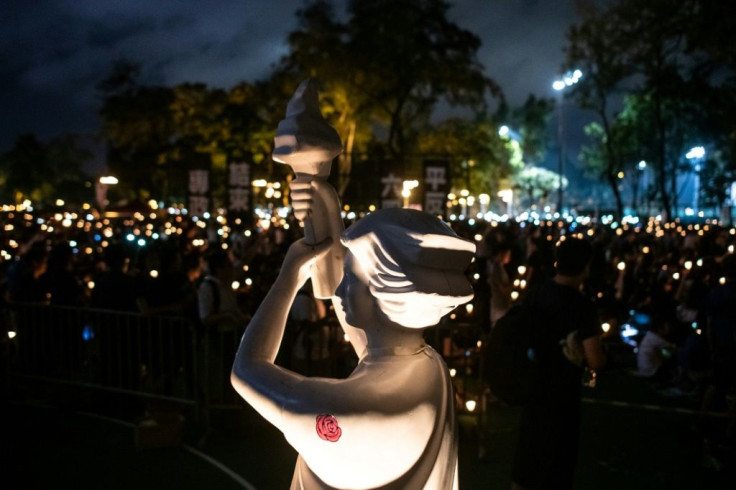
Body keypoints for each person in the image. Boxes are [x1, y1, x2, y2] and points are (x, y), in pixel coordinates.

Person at [232, 207, 475, 489]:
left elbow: (247, 367)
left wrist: (289, 277)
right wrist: (325, 208)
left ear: (385, 291)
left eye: (351, 279)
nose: (338, 291)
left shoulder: (337, 410)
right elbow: (368, 348)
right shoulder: (431, 367)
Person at [512, 237, 606, 490]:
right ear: (586, 266)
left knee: (526, 464)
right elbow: (595, 359)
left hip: (533, 387)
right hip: (563, 396)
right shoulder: (584, 307)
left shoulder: (537, 292)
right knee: (556, 467)